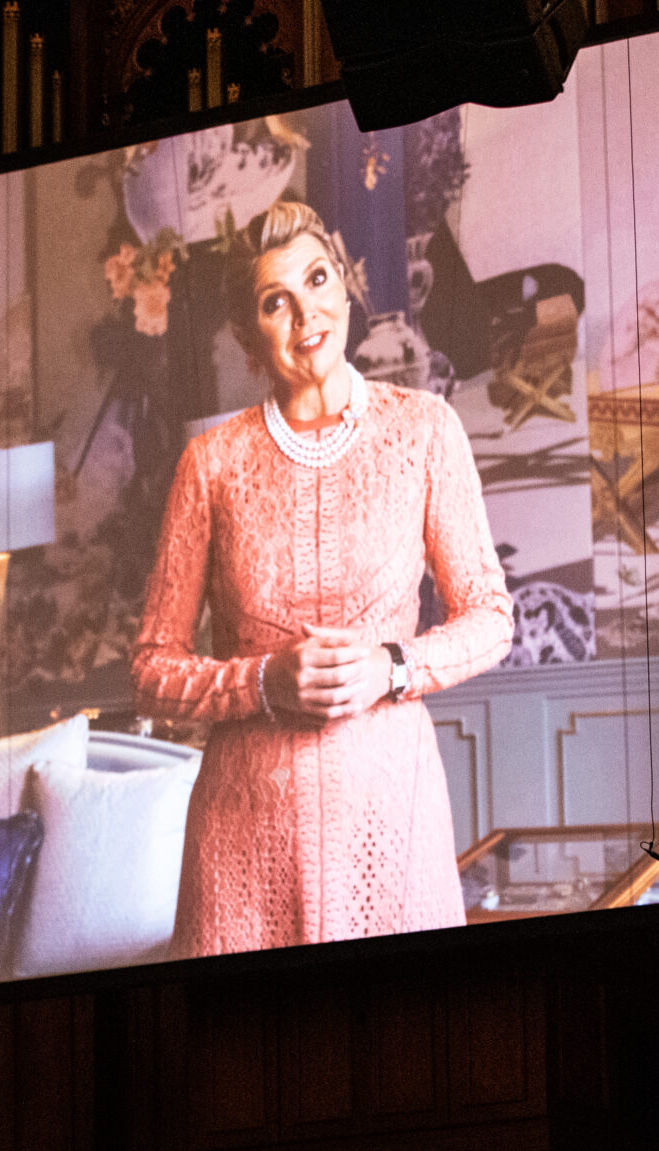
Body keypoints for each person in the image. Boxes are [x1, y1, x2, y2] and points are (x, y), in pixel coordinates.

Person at [133, 197, 512, 957]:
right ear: (249, 335)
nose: (306, 313)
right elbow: (151, 669)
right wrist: (263, 682)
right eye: (275, 301)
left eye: (316, 280)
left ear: (345, 286)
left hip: (390, 817)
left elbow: (491, 617)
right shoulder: (210, 465)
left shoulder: (425, 430)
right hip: (243, 841)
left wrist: (390, 667)